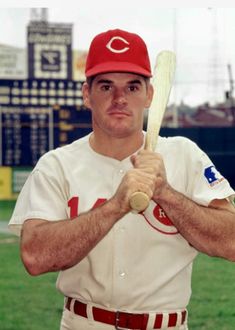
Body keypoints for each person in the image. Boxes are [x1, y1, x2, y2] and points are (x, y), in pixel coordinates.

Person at [9, 28, 235, 330]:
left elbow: (231, 242)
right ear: (87, 94)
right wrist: (115, 206)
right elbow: (35, 257)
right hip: (84, 322)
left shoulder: (184, 154)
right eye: (105, 87)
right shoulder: (56, 165)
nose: (119, 98)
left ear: (149, 95)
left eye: (132, 87)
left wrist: (165, 192)